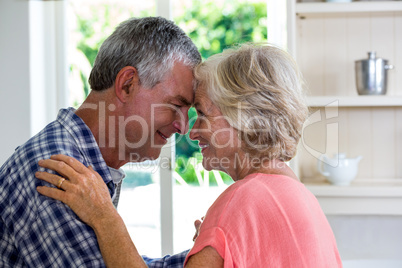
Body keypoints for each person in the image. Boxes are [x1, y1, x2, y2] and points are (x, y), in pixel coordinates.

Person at [36, 43, 342, 267]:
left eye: (203, 114)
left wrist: (105, 217)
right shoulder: (298, 195)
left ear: (244, 118)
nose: (191, 132)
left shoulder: (244, 200)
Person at [0, 16, 201, 267]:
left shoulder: (83, 166)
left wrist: (209, 254)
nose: (183, 127)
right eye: (176, 105)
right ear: (127, 84)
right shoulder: (57, 168)